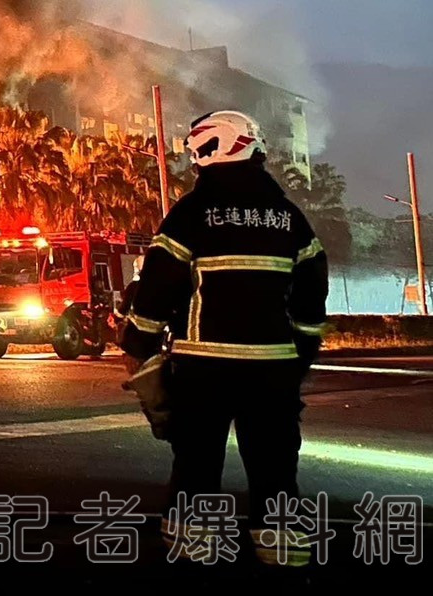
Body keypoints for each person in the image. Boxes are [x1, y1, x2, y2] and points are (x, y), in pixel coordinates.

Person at [121, 110, 329, 567]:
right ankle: (283, 556)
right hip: (273, 371)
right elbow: (313, 295)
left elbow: (156, 290)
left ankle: (195, 559)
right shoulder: (288, 218)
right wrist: (297, 358)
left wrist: (139, 347)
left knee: (196, 467)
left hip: (203, 370)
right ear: (250, 148)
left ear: (207, 150)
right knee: (275, 469)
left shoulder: (192, 214)